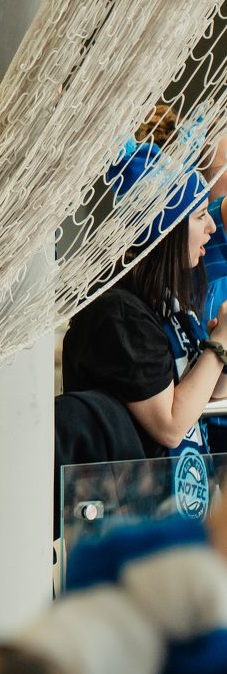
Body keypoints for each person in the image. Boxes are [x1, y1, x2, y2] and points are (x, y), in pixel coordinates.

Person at [63, 142, 227, 460]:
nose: (211, 226)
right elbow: (170, 426)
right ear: (166, 230)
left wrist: (220, 353)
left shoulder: (170, 305)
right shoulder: (120, 314)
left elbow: (203, 397)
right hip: (135, 489)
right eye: (200, 216)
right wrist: (217, 345)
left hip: (183, 487)